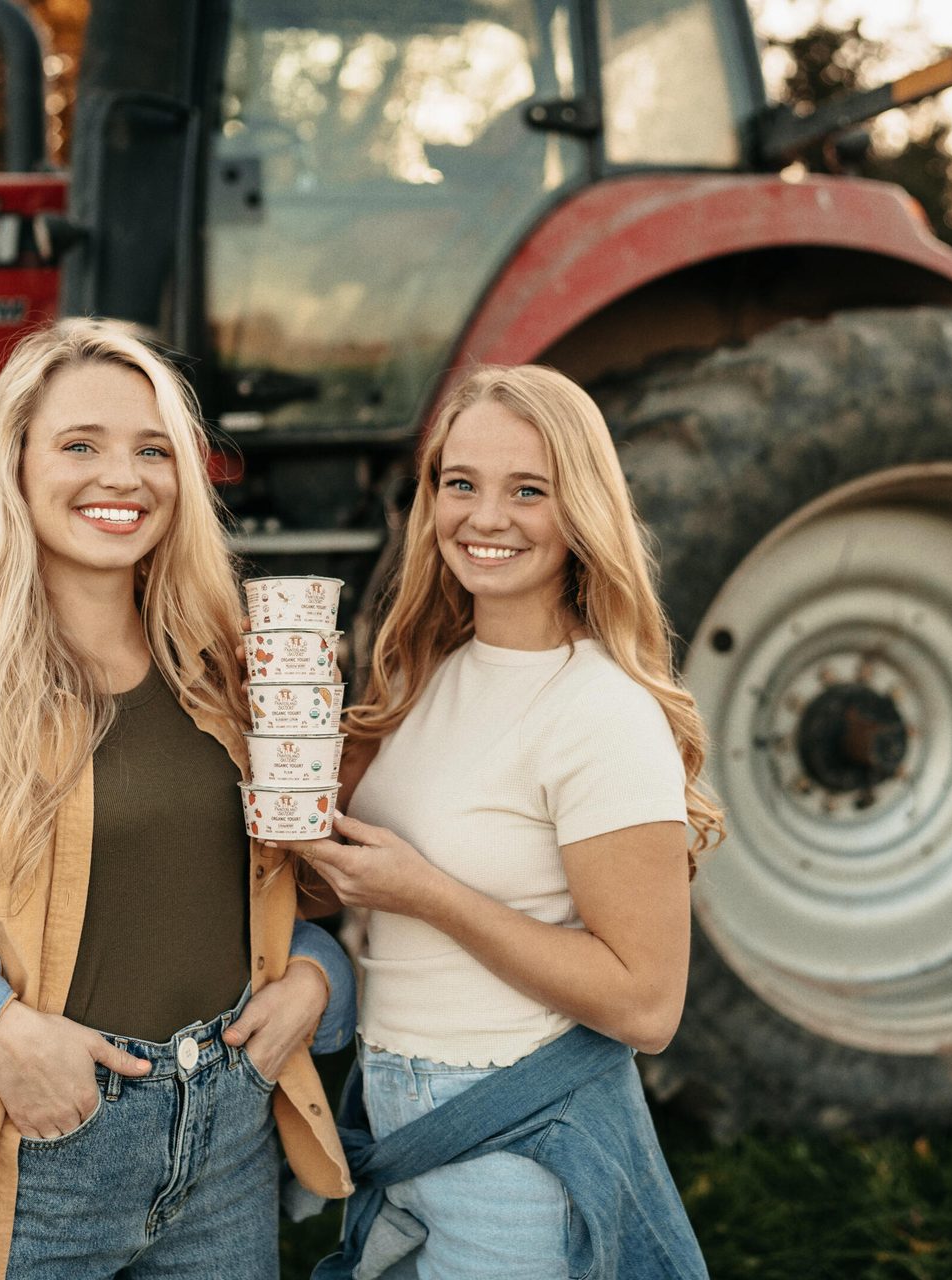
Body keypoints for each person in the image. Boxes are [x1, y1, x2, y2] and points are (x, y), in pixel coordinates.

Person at [0, 318, 352, 1280]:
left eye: (152, 450)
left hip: (227, 1141)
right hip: (41, 1143)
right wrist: (4, 1032)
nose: (122, 478)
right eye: (80, 446)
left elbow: (264, 889)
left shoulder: (234, 671)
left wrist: (315, 980)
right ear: (15, 467)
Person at [288, 364, 722, 1279]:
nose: (486, 519)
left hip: (512, 1139)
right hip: (396, 1120)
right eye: (461, 484)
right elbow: (340, 889)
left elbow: (647, 1005)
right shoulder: (425, 672)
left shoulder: (599, 710)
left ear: (582, 512)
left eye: (529, 490)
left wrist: (429, 895)